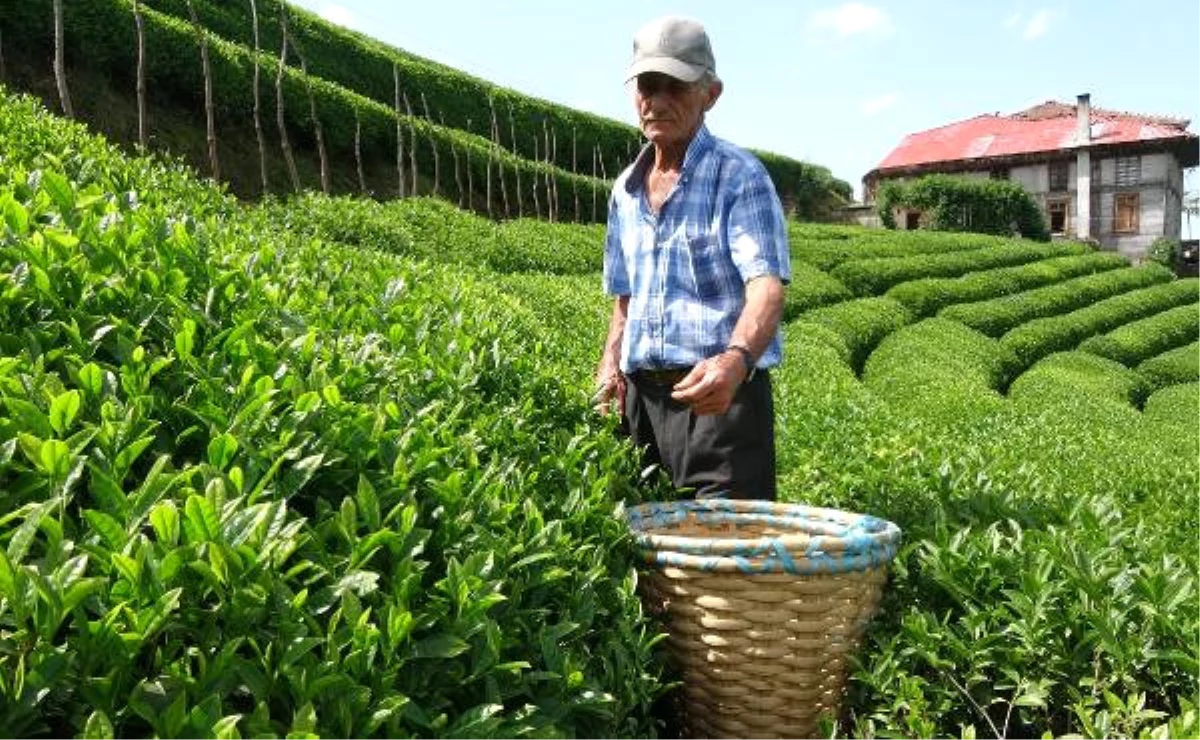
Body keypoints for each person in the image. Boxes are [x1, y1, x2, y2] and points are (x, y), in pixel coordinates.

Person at [593, 15, 790, 501]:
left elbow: (766, 285)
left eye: (675, 86)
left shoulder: (739, 176)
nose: (657, 101)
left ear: (711, 94)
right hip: (640, 401)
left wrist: (736, 361)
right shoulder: (625, 189)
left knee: (722, 553)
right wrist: (609, 366)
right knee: (646, 554)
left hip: (718, 400)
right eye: (647, 85)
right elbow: (625, 295)